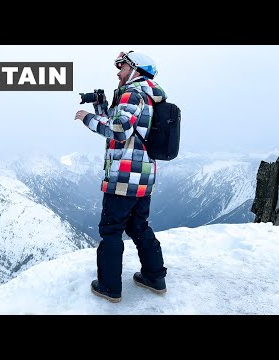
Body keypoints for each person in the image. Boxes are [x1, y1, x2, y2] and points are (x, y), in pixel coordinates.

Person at [74, 50, 168, 303]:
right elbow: (123, 122)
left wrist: (88, 119)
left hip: (123, 176)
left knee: (111, 230)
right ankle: (154, 277)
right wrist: (101, 105)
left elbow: (119, 130)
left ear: (136, 70)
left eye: (123, 67)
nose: (118, 71)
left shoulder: (132, 92)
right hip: (143, 175)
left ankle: (109, 287)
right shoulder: (148, 95)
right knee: (138, 226)